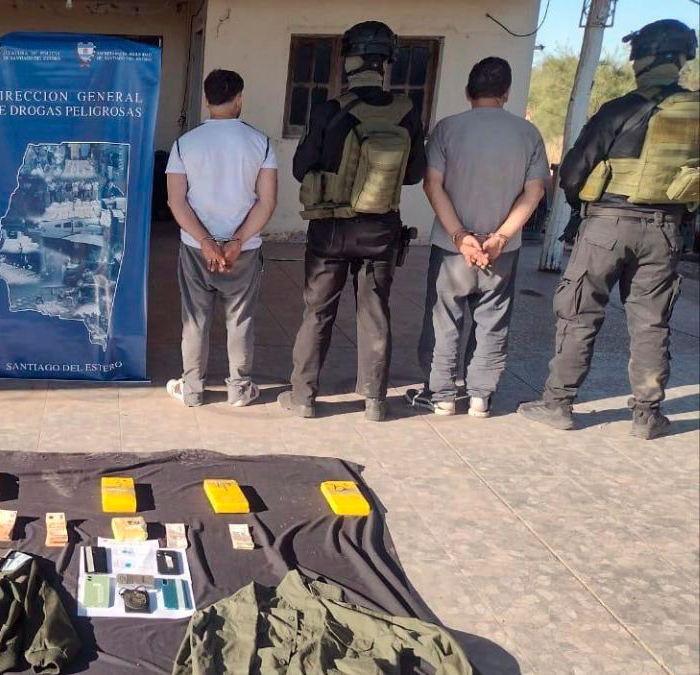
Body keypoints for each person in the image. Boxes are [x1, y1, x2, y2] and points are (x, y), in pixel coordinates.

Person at [519, 19, 698, 440]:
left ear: (642, 60)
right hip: (666, 231)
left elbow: (572, 174)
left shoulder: (620, 109)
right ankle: (647, 416)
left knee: (579, 314)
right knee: (652, 324)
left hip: (608, 226)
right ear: (681, 59)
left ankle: (558, 404)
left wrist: (582, 206)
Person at [280, 21, 426, 421]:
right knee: (375, 312)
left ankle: (304, 398)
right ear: (386, 63)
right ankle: (375, 402)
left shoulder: (330, 110)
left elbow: (300, 167)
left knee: (318, 312)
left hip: (331, 228)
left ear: (349, 61)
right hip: (381, 228)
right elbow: (414, 173)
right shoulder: (407, 111)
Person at [406, 57, 548, 418]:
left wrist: (460, 236)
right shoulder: (528, 134)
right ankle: (481, 396)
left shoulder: (447, 129)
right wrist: (500, 237)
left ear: (468, 91)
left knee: (443, 318)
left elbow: (432, 184)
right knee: (492, 320)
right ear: (506, 92)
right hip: (502, 251)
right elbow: (534, 191)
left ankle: (441, 395)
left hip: (451, 248)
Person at [164, 69, 278, 407]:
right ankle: (239, 389)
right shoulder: (261, 143)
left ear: (206, 100)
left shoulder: (185, 144)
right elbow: (267, 202)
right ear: (239, 99)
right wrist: (237, 241)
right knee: (240, 319)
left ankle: (192, 389)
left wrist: (205, 241)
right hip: (244, 250)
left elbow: (176, 201)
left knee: (195, 318)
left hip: (196, 248)